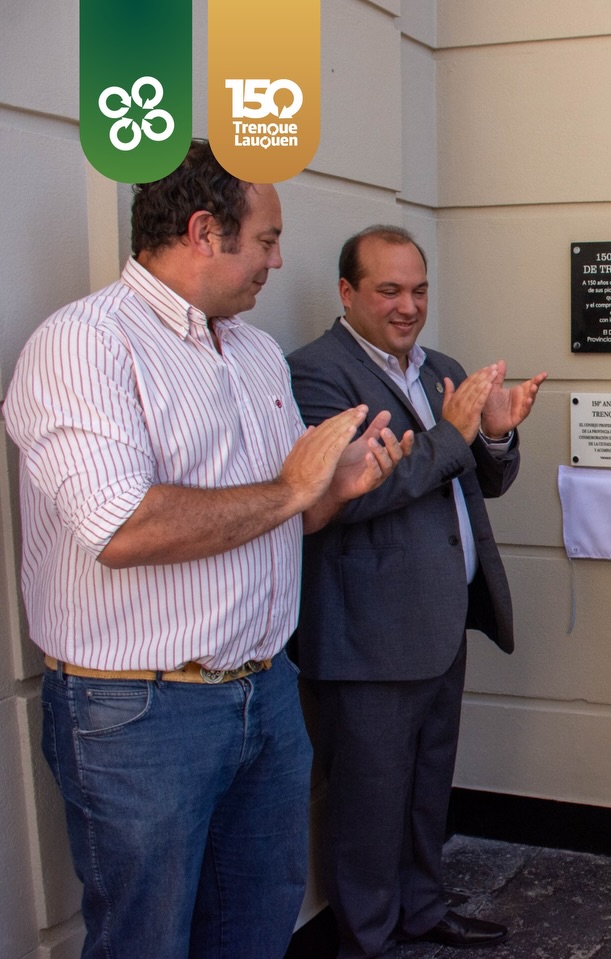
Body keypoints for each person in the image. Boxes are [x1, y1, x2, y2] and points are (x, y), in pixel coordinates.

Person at [4, 140, 411, 959]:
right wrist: (293, 488)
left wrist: (332, 489)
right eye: (266, 240)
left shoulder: (253, 352)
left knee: (254, 931)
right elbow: (122, 526)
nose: (277, 260)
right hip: (140, 713)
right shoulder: (85, 343)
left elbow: (279, 515)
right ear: (202, 231)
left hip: (265, 692)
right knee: (144, 940)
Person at [288, 225, 546, 957]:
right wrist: (454, 435)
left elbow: (480, 479)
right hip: (367, 633)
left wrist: (494, 436)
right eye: (389, 291)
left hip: (439, 619)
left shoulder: (442, 370)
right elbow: (348, 496)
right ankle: (368, 938)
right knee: (368, 801)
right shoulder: (315, 375)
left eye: (419, 290)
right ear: (348, 293)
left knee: (428, 784)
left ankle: (422, 907)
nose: (409, 306)